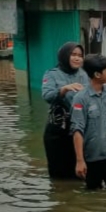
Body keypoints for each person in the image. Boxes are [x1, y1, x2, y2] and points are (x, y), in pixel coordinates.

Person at [70, 54, 106, 190]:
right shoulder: (80, 99)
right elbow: (77, 130)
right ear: (98, 74)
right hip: (92, 158)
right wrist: (80, 161)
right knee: (93, 194)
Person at [41, 42, 89, 179]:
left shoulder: (84, 75)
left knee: (79, 172)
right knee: (58, 174)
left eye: (80, 56)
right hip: (58, 129)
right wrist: (64, 89)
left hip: (79, 129)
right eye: (73, 55)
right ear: (64, 56)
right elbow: (47, 96)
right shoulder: (52, 74)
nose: (77, 58)